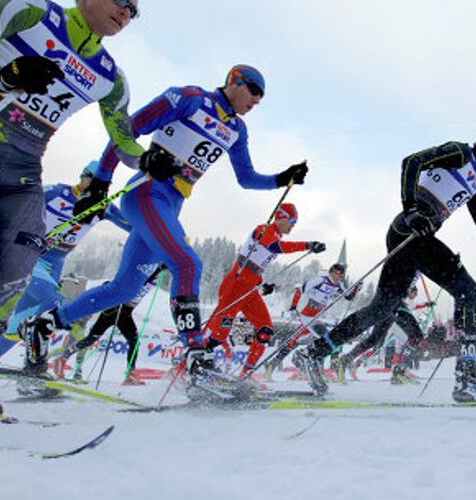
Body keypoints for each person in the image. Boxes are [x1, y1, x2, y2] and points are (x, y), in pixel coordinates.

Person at [23, 64, 309, 400]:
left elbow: (246, 177)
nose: (257, 100)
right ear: (233, 81)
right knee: (188, 265)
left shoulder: (237, 129)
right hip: (146, 192)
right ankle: (197, 360)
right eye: (253, 90)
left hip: (171, 203)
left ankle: (44, 325)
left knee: (123, 289)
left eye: (262, 96)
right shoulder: (190, 99)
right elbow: (128, 128)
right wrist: (104, 176)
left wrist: (282, 177)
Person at [293, 123, 476, 401]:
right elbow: (412, 162)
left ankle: (312, 353)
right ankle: (467, 377)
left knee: (380, 309)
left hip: (413, 236)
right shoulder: (461, 153)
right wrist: (411, 209)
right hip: (409, 230)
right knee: (467, 291)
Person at [0, 0, 145, 318]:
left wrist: (150, 161)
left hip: (22, 170)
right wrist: (3, 78)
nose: (125, 12)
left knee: (18, 268)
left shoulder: (109, 77)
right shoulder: (31, 10)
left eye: (133, 11)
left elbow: (125, 141)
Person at [0, 161, 130, 362]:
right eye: (90, 179)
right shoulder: (56, 193)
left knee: (21, 322)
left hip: (55, 265)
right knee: (53, 303)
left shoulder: (104, 206)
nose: (94, 186)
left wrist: (169, 241)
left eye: (101, 183)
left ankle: (29, 372)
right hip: (32, 257)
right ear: (82, 177)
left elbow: (134, 225)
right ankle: (36, 362)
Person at [203, 202, 326, 379]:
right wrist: (307, 245)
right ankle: (188, 365)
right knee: (218, 333)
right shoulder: (264, 229)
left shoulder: (275, 235)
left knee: (265, 329)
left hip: (250, 289)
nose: (293, 224)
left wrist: (262, 285)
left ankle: (245, 375)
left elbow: (256, 265)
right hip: (235, 286)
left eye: (295, 221)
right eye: (292, 220)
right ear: (281, 217)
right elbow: (274, 248)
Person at [53, 265, 166, 385]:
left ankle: (130, 374)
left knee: (134, 341)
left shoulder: (152, 280)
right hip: (113, 310)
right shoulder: (144, 277)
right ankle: (62, 358)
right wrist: (160, 268)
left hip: (125, 314)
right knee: (91, 338)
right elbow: (145, 278)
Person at [264, 263, 356, 379]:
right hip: (308, 316)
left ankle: (272, 364)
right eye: (335, 273)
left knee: (294, 341)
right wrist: (293, 308)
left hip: (316, 317)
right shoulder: (320, 280)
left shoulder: (338, 286)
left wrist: (357, 288)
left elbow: (349, 297)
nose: (337, 276)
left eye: (340, 274)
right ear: (331, 272)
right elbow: (299, 289)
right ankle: (333, 366)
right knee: (328, 338)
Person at [337, 276, 434, 384]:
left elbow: (414, 304)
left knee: (374, 340)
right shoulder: (407, 275)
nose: (414, 295)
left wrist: (426, 304)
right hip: (396, 309)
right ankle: (400, 370)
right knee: (416, 338)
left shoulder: (407, 291)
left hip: (388, 308)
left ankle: (346, 360)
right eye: (413, 293)